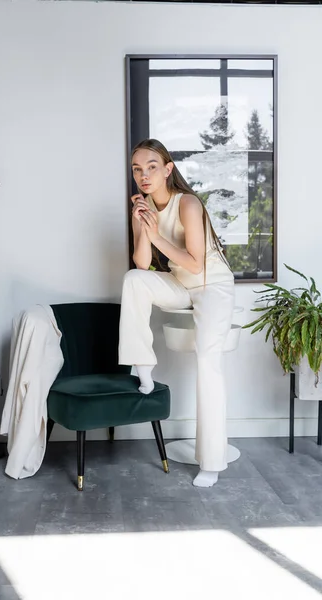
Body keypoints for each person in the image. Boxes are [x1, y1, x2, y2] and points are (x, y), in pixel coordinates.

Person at [118, 138, 235, 488]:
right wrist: (141, 224)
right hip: (181, 284)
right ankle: (143, 367)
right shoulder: (145, 206)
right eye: (137, 168)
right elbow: (142, 264)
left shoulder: (188, 204)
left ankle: (211, 462)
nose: (143, 174)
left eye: (151, 166)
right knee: (134, 280)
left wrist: (156, 235)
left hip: (211, 284)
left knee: (208, 362)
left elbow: (197, 263)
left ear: (168, 169)